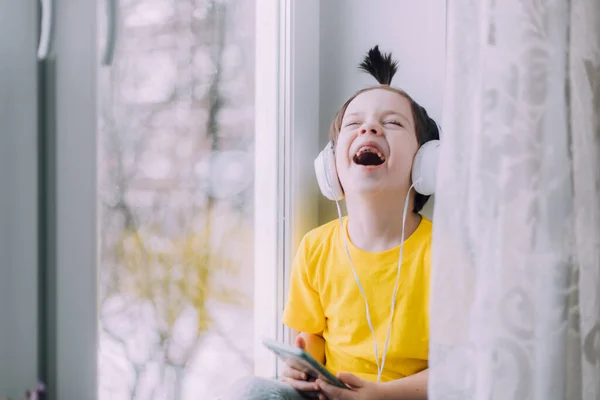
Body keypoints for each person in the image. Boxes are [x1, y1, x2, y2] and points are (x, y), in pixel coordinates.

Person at [225, 46, 439, 400]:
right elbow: (311, 337)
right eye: (354, 124)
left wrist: (379, 394)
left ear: (425, 165)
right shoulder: (315, 248)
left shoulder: (444, 254)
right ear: (331, 167)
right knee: (251, 391)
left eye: (392, 123)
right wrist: (303, 364)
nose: (369, 127)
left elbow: (464, 366)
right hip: (330, 396)